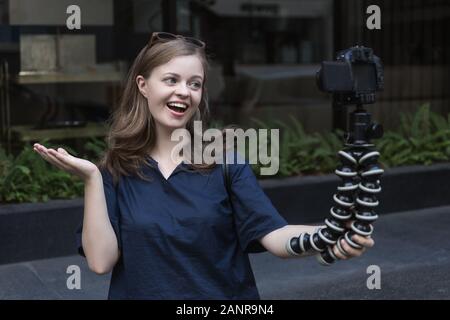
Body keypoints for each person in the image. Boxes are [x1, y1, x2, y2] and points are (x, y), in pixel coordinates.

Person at [33, 32, 374, 300]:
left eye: (194, 84)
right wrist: (92, 178)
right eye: (171, 80)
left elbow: (274, 236)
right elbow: (100, 262)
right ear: (142, 85)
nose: (184, 92)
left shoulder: (225, 162)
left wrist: (327, 238)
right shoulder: (116, 170)